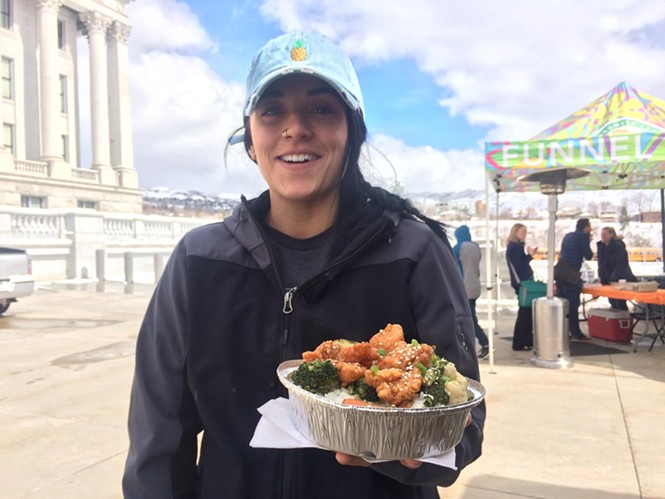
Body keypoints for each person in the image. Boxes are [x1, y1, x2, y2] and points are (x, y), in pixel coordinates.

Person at [122, 32, 485, 499]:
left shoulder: (413, 251)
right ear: (251, 137)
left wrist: (402, 450)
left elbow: (465, 425)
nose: (295, 128)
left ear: (351, 130)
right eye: (272, 110)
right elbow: (158, 438)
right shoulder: (198, 260)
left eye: (321, 109)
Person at [453, 225, 490, 359]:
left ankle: (483, 343)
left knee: (467, 319)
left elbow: (453, 267)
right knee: (471, 316)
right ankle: (480, 343)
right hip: (475, 286)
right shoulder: (475, 247)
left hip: (463, 287)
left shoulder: (458, 248)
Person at [556, 218, 593, 341]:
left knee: (562, 304)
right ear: (586, 227)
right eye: (590, 227)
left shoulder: (568, 236)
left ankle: (562, 331)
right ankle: (576, 332)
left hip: (560, 271)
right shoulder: (583, 237)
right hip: (571, 274)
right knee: (573, 304)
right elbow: (588, 255)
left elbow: (563, 252)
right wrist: (588, 241)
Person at [505, 223, 537, 351]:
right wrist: (529, 255)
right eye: (523, 232)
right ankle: (520, 342)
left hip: (522, 283)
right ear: (516, 232)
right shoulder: (516, 248)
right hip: (523, 284)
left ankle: (526, 340)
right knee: (525, 314)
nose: (525, 235)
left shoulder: (514, 246)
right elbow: (519, 266)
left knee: (526, 313)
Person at [597, 226, 637, 310]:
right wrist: (601, 276)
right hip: (608, 278)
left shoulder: (618, 246)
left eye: (605, 234)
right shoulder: (602, 247)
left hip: (620, 279)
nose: (603, 236)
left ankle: (623, 319)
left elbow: (621, 264)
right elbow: (601, 264)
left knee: (619, 301)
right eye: (602, 234)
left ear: (611, 234)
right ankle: (616, 320)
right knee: (612, 300)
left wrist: (614, 278)